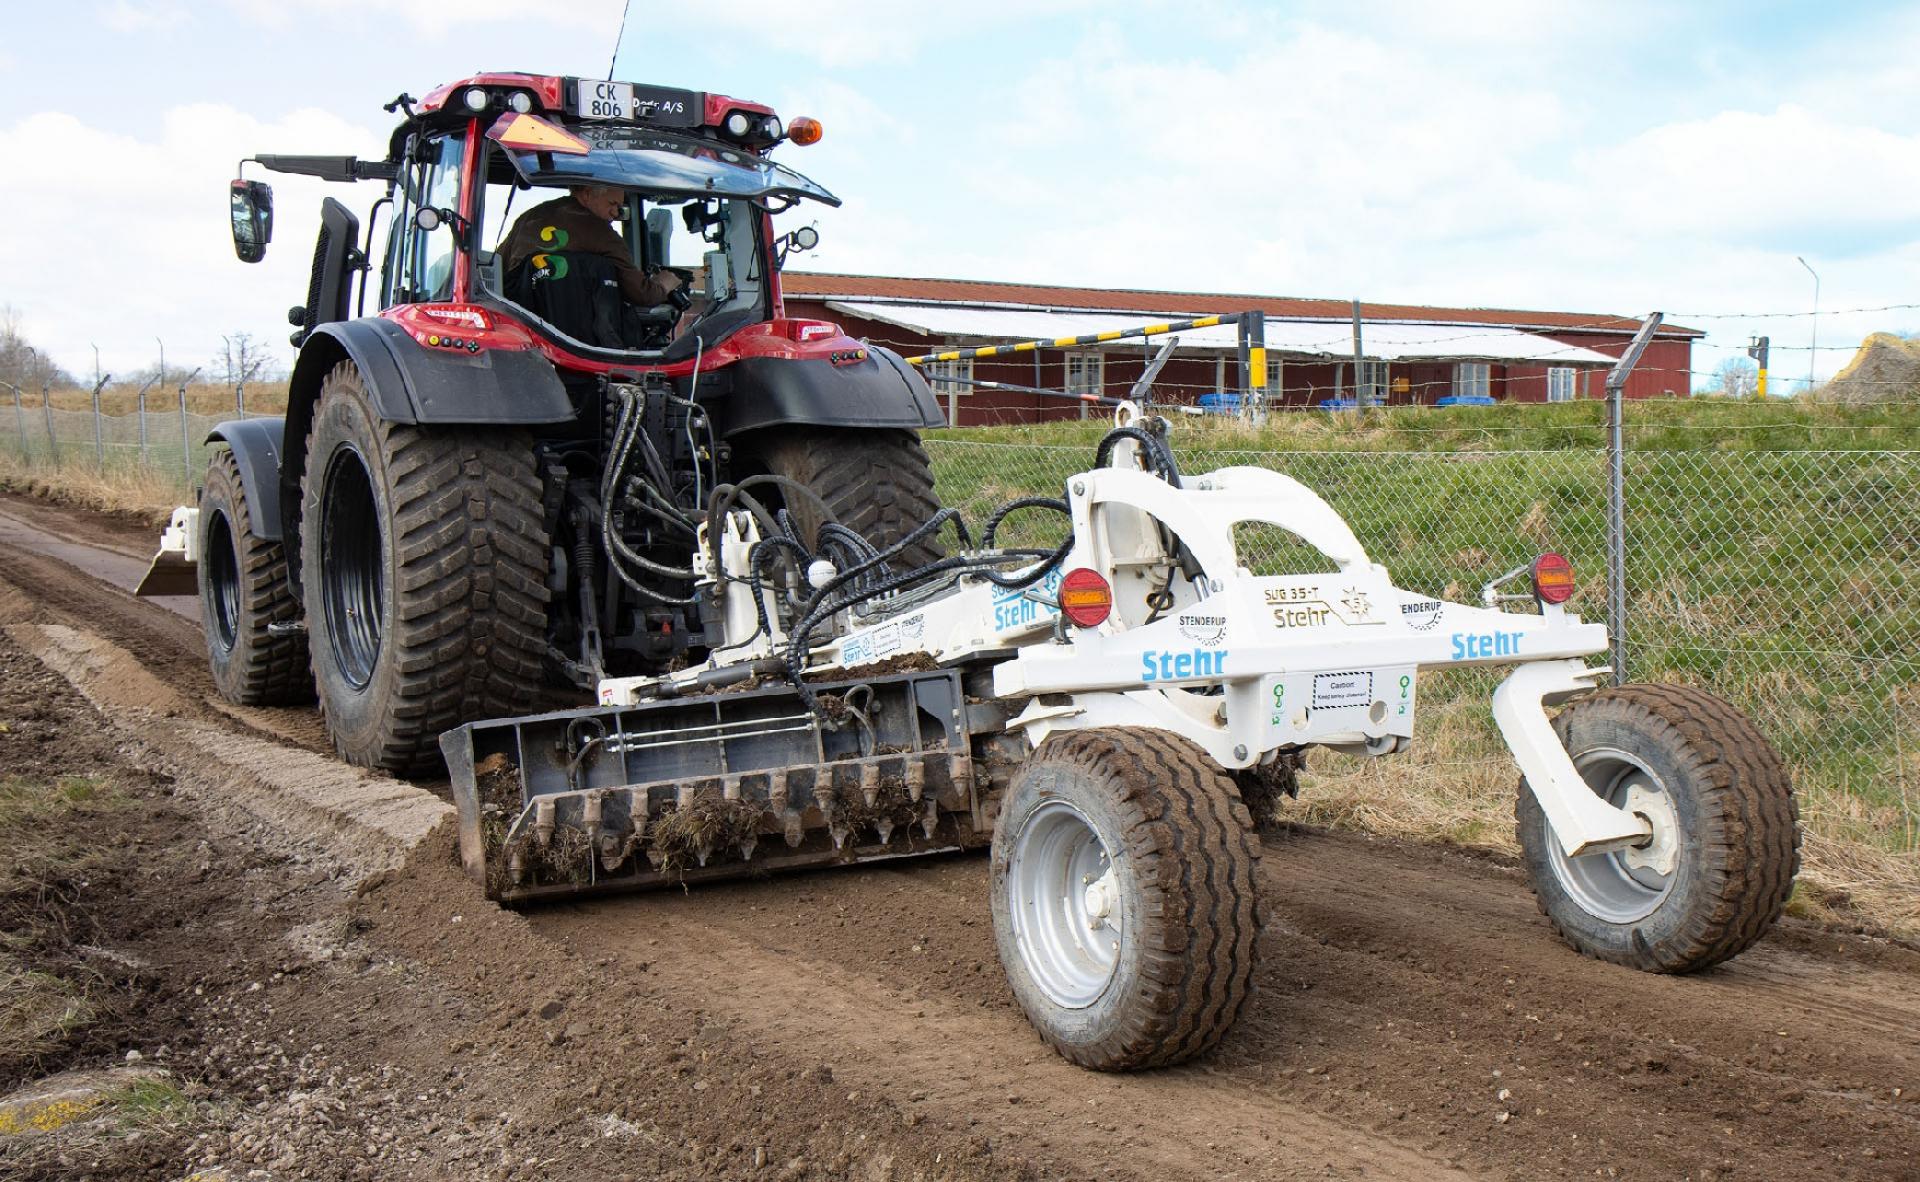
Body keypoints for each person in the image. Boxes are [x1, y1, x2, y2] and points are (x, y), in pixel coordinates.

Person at [499, 185, 684, 307]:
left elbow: (497, 269)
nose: (615, 213)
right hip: (581, 338)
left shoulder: (529, 217)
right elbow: (643, 294)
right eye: (612, 204)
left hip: (523, 321)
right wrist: (664, 284)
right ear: (587, 194)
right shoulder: (603, 234)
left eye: (619, 207)